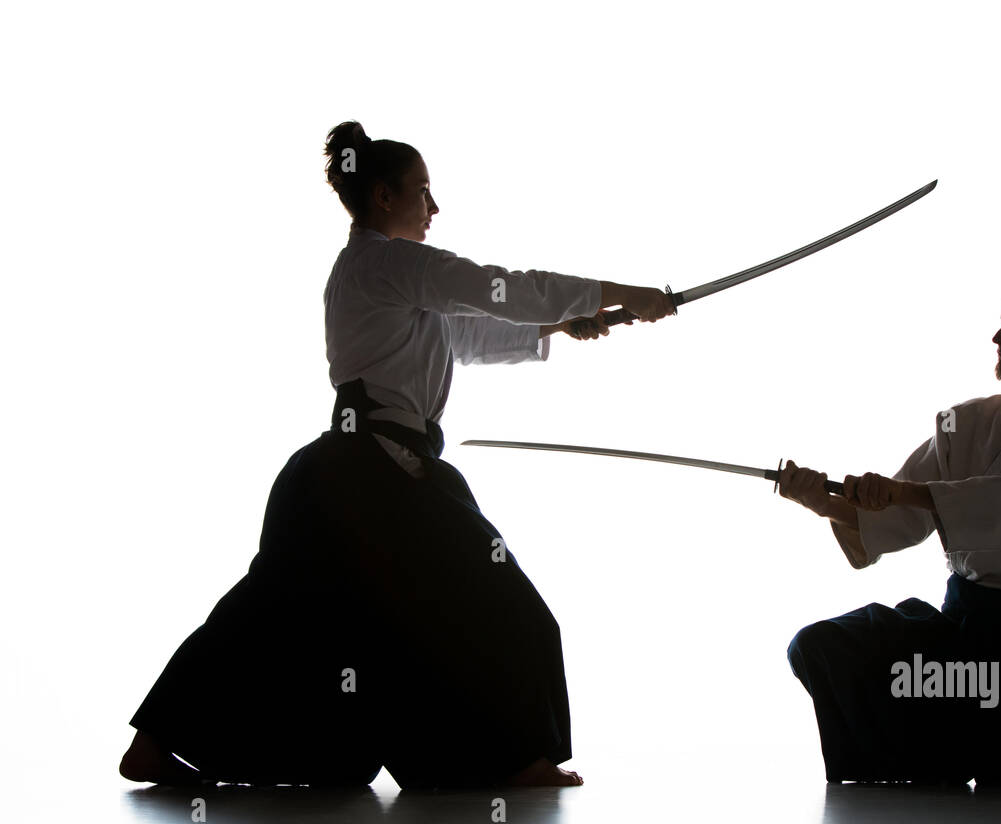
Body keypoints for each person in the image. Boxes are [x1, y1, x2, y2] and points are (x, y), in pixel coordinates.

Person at [119, 120, 675, 788]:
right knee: (496, 598)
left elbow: (465, 333)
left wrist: (560, 323)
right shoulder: (385, 262)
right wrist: (622, 292)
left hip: (346, 474)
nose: (434, 209)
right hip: (375, 473)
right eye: (423, 192)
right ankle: (514, 754)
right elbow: (501, 286)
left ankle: (158, 742)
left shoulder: (383, 275)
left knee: (279, 607)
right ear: (384, 197)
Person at [778, 277, 1001, 788]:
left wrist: (902, 492)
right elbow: (888, 526)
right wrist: (821, 503)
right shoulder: (965, 422)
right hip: (960, 635)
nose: (998, 336)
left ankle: (969, 745)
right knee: (821, 647)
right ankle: (944, 752)